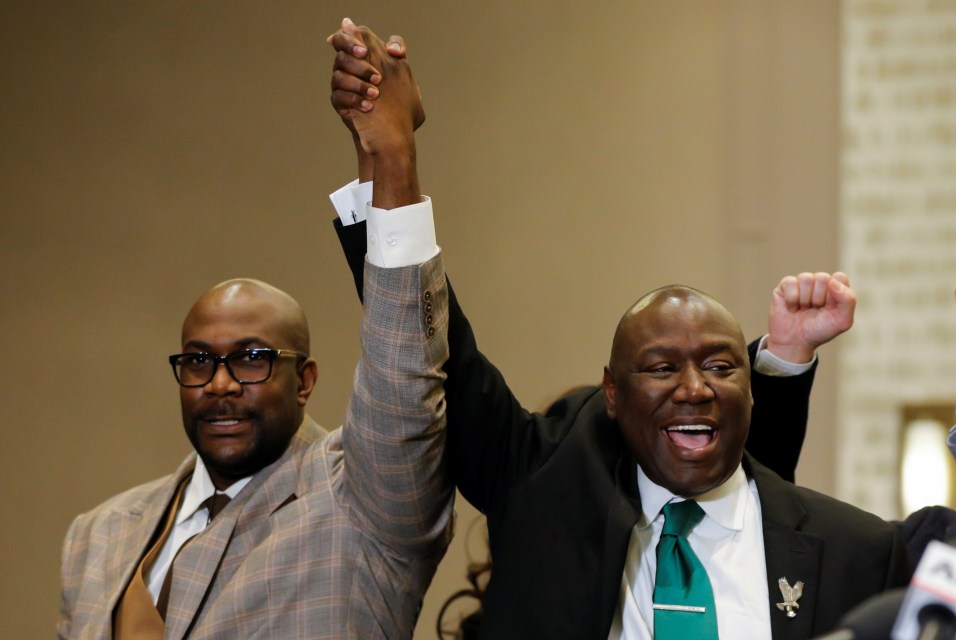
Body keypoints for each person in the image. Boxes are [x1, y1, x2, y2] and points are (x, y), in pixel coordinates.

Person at [326, 21, 909, 640]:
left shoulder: (860, 551)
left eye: (720, 366)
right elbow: (437, 354)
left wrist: (787, 359)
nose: (693, 388)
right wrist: (391, 162)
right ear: (611, 392)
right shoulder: (546, 496)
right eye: (661, 368)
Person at [58, 41, 451, 639]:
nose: (220, 383)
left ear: (306, 380)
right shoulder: (100, 533)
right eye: (198, 361)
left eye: (252, 360)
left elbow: (403, 375)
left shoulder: (360, 504)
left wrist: (391, 152)